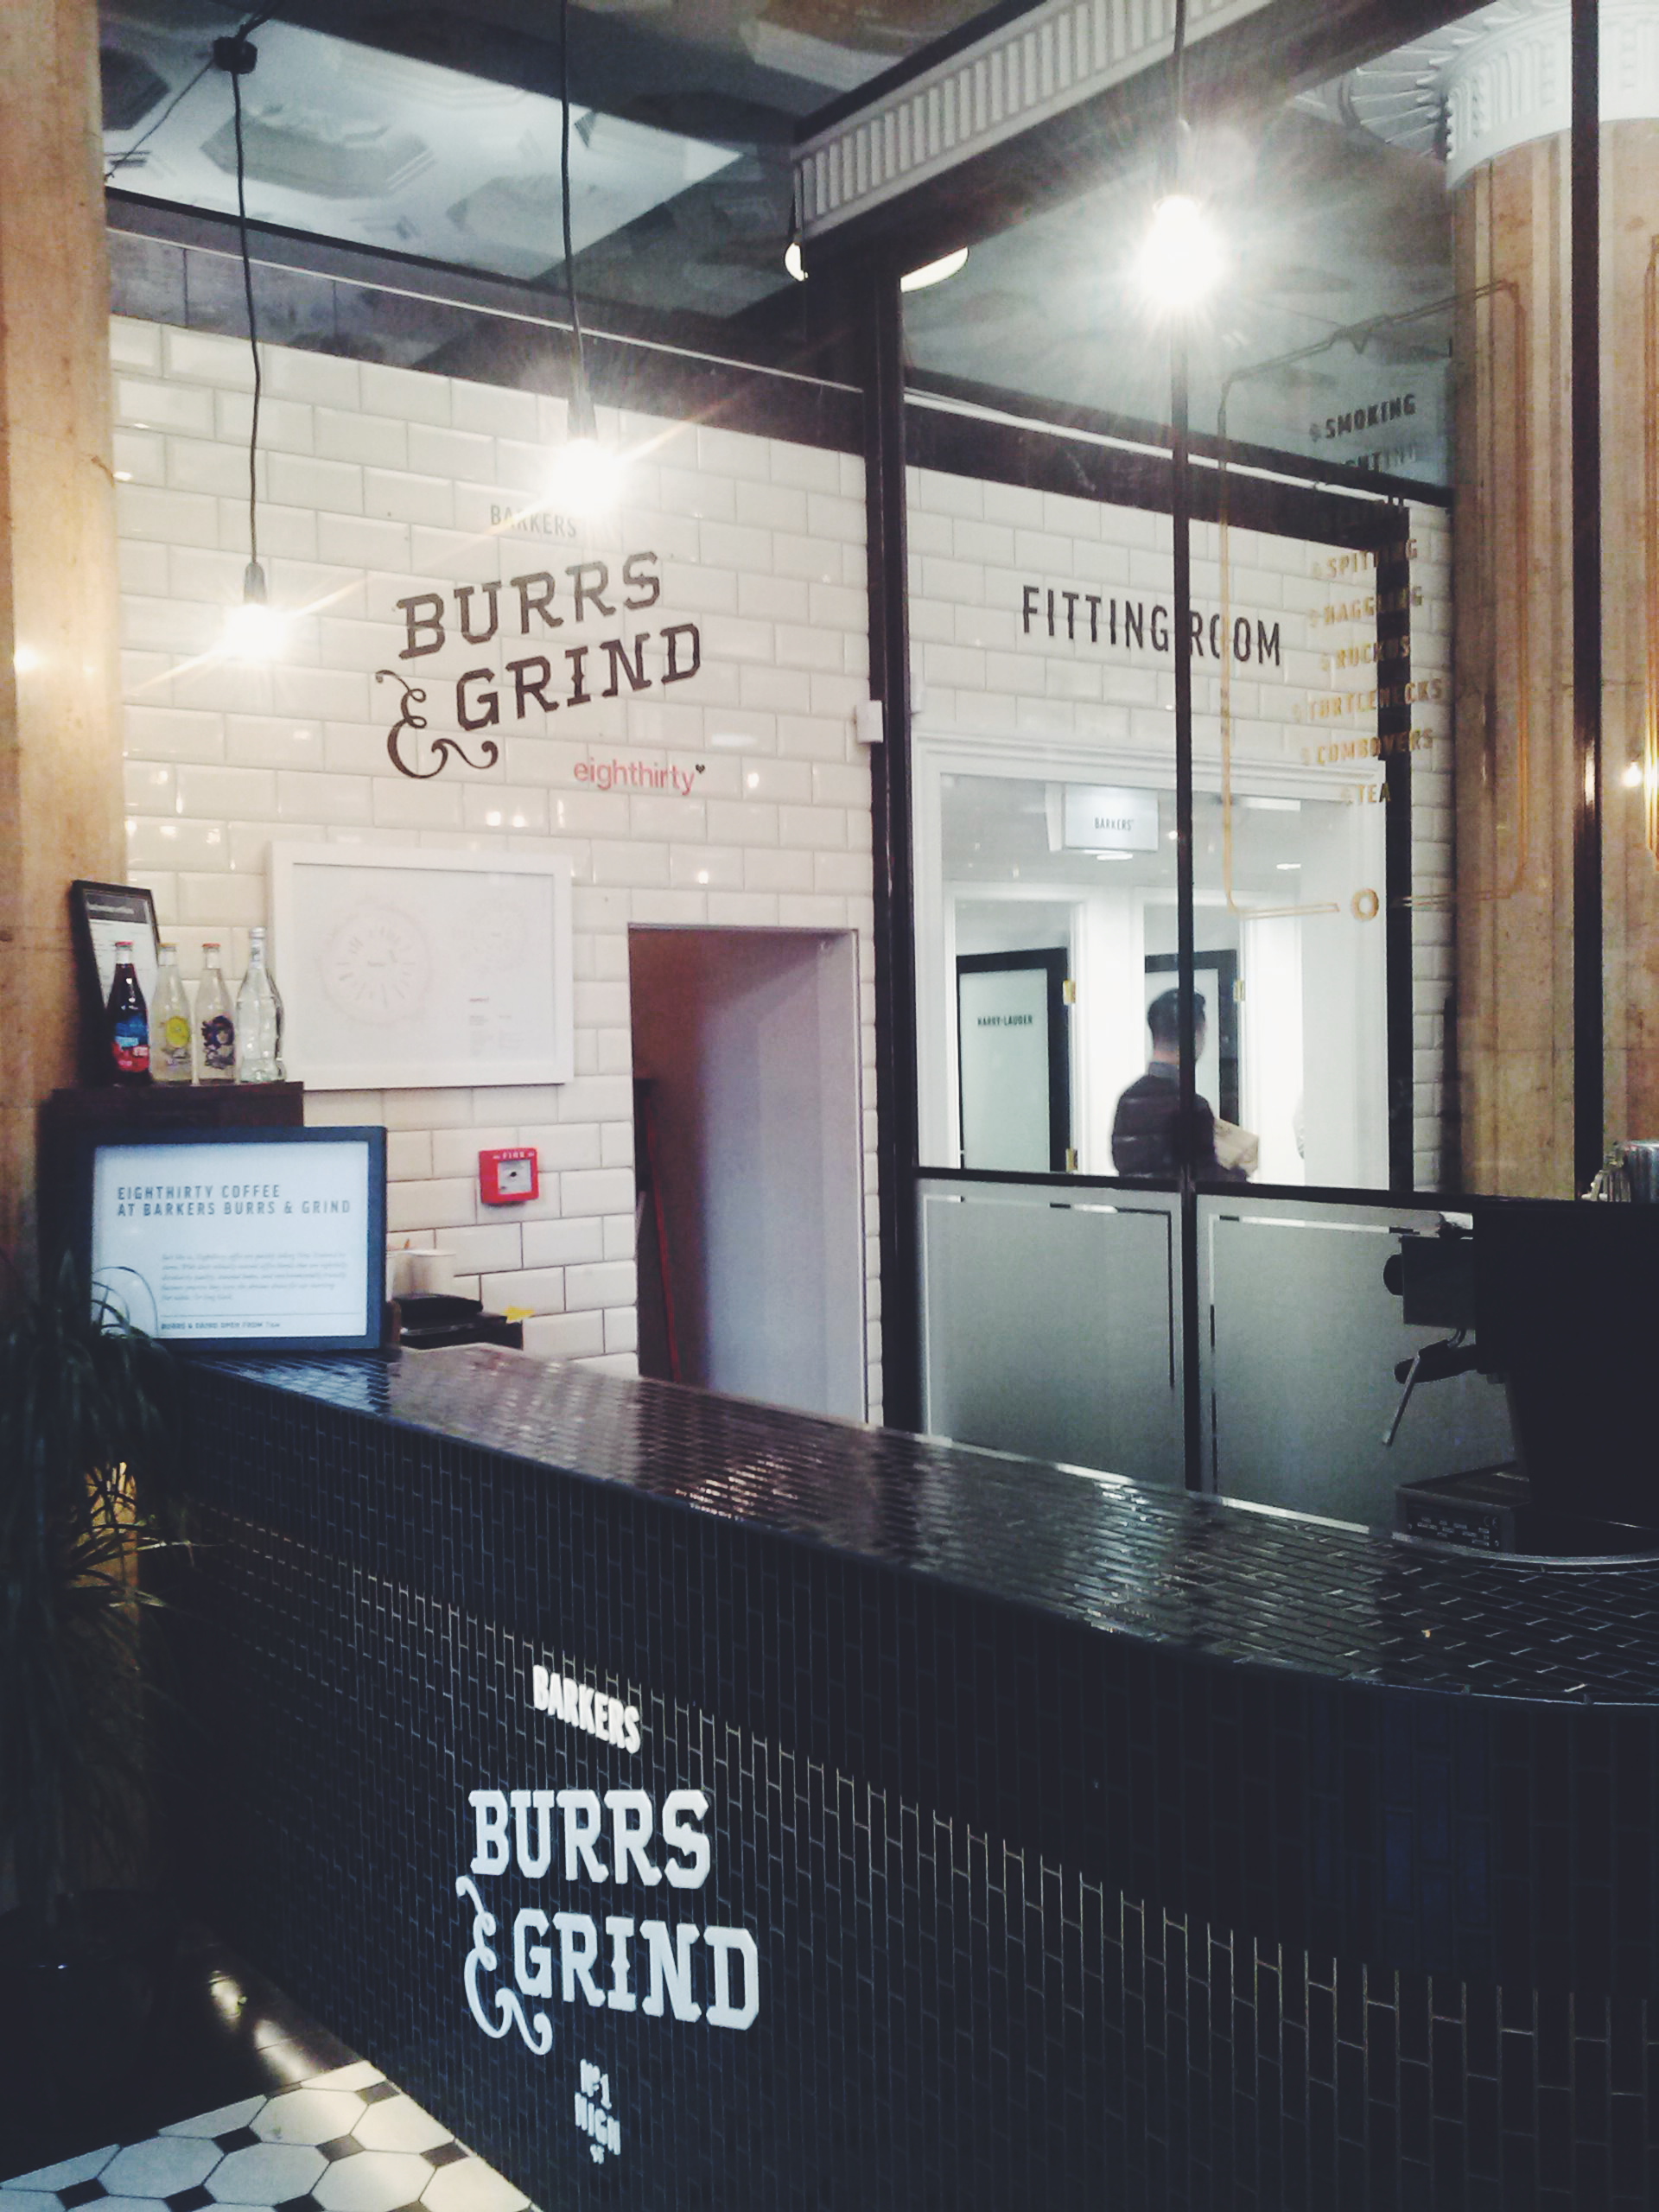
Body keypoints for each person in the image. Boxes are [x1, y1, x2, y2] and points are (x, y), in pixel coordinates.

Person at [1111, 988, 1249, 1182]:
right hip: (1177, 1204)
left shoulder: (1128, 1100)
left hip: (1136, 1203)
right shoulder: (1192, 1106)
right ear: (1196, 1034)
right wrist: (1239, 1173)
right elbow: (1204, 1184)